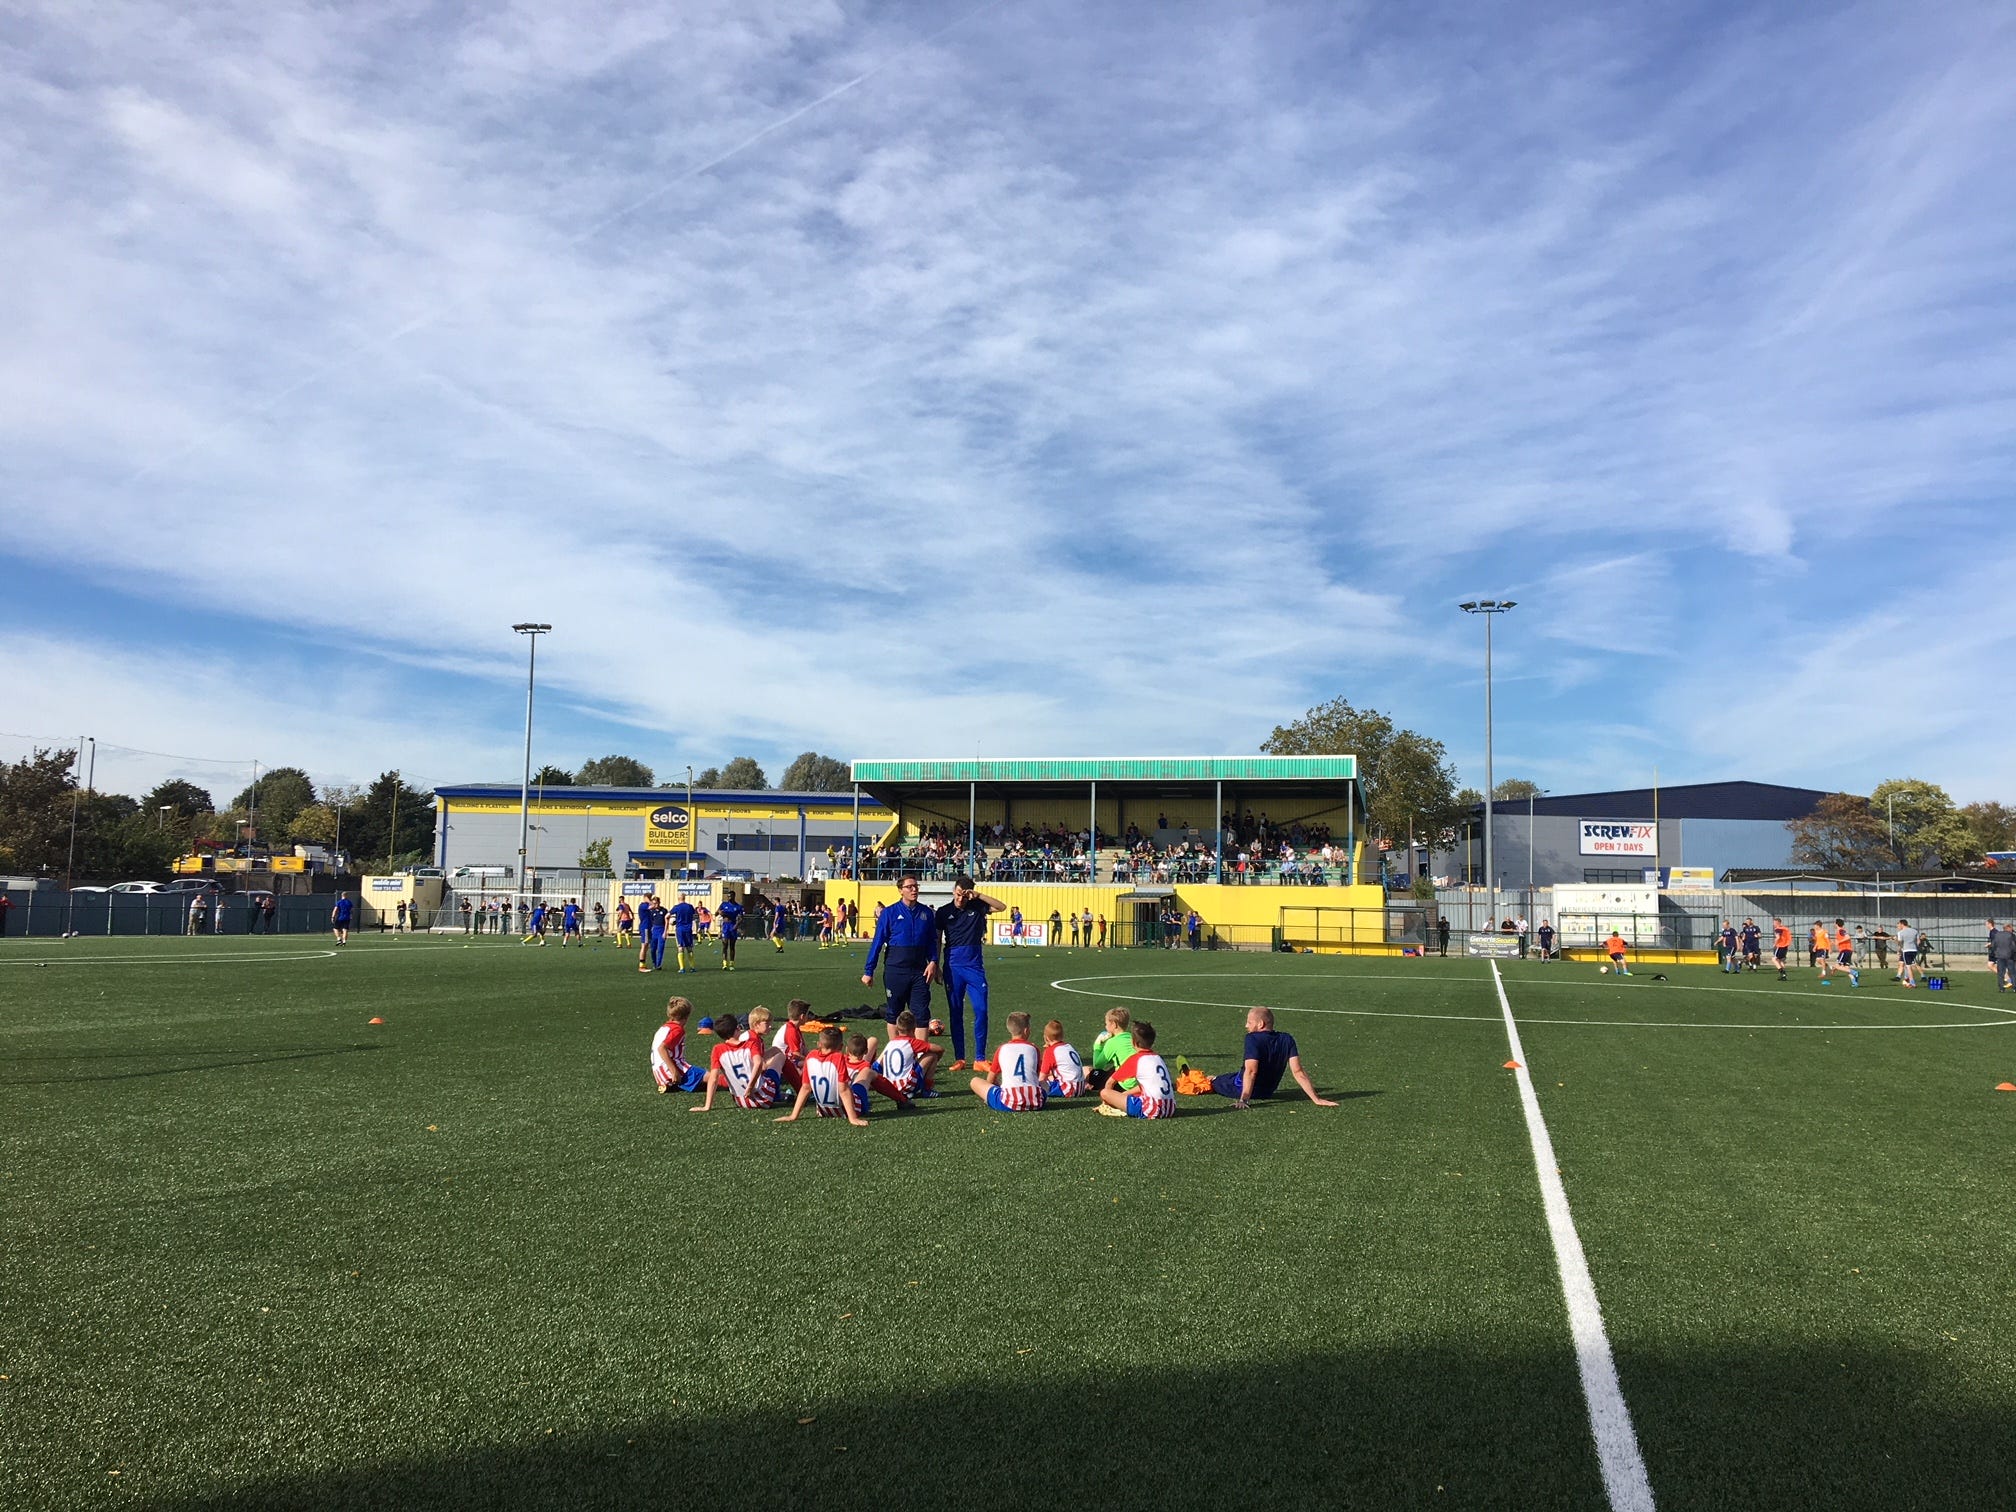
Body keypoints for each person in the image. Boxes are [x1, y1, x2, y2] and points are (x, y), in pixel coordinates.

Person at [935, 874, 1003, 1069]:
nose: (960, 899)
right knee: (955, 1012)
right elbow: (937, 940)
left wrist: (978, 895)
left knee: (981, 1010)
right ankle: (960, 1058)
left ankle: (980, 1059)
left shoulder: (978, 907)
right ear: (953, 891)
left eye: (964, 896)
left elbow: (1001, 907)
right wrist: (936, 964)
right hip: (953, 966)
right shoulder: (943, 912)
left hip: (974, 967)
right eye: (957, 894)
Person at [1209, 1005, 1337, 1107]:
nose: (1246, 1026)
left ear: (1260, 1024)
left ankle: (1214, 1078)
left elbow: (1251, 1071)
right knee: (1231, 1075)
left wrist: (1244, 1100)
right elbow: (1298, 1072)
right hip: (1267, 1092)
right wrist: (1316, 1099)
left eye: (1249, 1022)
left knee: (1213, 1081)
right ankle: (1218, 1077)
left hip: (1243, 1089)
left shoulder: (1252, 1039)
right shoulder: (1287, 1039)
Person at [862, 873, 939, 1036]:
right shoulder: (889, 913)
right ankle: (895, 1055)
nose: (914, 889)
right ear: (900, 890)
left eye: (916, 886)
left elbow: (932, 941)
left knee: (922, 1014)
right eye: (909, 887)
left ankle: (919, 1057)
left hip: (920, 971)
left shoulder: (926, 913)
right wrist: (869, 971)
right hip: (895, 970)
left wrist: (933, 961)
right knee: (894, 1013)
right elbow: (877, 942)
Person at [774, 1028, 869, 1126]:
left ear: (819, 1044)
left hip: (824, 1111)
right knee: (867, 1075)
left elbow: (805, 1088)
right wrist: (853, 1118)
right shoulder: (838, 1057)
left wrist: (793, 1115)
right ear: (841, 1046)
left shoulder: (810, 1056)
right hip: (844, 1110)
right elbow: (843, 1090)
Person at [1097, 1020, 1176, 1119]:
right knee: (1133, 1094)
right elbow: (1144, 1087)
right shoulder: (1158, 1058)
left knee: (1105, 1092)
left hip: (1151, 1109)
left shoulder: (1136, 1059)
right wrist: (1122, 1095)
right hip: (1170, 1108)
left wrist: (1108, 1102)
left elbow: (1110, 1083)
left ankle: (1108, 1107)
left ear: (1134, 1042)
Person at [969, 1010, 1045, 1111]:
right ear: (1026, 1031)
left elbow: (990, 1079)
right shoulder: (1034, 1049)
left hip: (1009, 1103)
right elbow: (1037, 1076)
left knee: (974, 1081)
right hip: (1037, 1102)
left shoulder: (1002, 1049)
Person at [650, 998, 706, 1093]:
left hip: (660, 1075)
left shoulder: (664, 1028)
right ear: (686, 1016)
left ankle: (674, 1085)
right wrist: (673, 1071)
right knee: (713, 1077)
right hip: (671, 1071)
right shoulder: (677, 1030)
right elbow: (661, 1048)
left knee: (704, 1082)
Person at [1088, 1007, 1134, 1091]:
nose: (1105, 1026)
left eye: (1106, 1023)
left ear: (1114, 1024)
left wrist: (1097, 1046)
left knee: (1087, 1071)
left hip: (1124, 1085)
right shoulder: (1132, 1038)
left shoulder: (1113, 1042)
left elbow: (1098, 1065)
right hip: (1138, 1083)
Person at [1039, 1018, 1086, 1098]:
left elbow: (1042, 1078)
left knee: (1037, 1084)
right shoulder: (1068, 1046)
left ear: (1046, 1037)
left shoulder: (1051, 1051)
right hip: (1081, 1087)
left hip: (1068, 1089)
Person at [1827, 918, 1859, 988]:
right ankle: (1854, 983)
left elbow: (1848, 937)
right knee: (1847, 969)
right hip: (1848, 951)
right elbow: (1838, 942)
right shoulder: (1839, 932)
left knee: (1837, 966)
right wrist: (1833, 943)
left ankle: (1854, 972)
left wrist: (1838, 942)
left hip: (1845, 950)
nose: (1833, 924)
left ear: (1836, 924)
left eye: (1834, 923)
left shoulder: (1840, 930)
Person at [669, 895, 697, 973]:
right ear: (684, 898)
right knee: (689, 948)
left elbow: (668, 915)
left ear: (678, 899)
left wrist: (673, 921)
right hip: (688, 929)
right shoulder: (690, 906)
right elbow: (695, 916)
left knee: (680, 947)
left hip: (680, 929)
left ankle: (682, 968)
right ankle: (692, 967)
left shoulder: (676, 907)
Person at [716, 893, 744, 971]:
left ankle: (731, 964)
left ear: (734, 896)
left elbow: (741, 918)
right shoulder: (724, 904)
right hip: (725, 926)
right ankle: (724, 964)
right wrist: (720, 912)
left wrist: (736, 925)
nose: (728, 898)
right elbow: (716, 913)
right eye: (728, 896)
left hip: (732, 926)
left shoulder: (738, 906)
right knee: (724, 945)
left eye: (730, 896)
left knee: (732, 946)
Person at [1895, 918, 1920, 987]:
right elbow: (1918, 941)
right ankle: (1905, 979)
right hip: (1914, 950)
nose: (1899, 926)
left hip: (1906, 950)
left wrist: (1896, 941)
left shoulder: (1900, 932)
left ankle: (1912, 982)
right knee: (1906, 964)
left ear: (1902, 924)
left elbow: (1900, 943)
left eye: (1899, 924)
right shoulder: (1915, 931)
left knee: (1908, 967)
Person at [1992, 920, 2016, 992]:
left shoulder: (1997, 934)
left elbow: (1993, 945)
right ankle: (2014, 987)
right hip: (2010, 956)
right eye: (2012, 928)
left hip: (2000, 956)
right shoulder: (2011, 935)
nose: (2012, 929)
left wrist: (1996, 952)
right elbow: (2014, 947)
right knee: (2012, 972)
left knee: (2000, 973)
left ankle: (2001, 988)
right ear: (2008, 927)